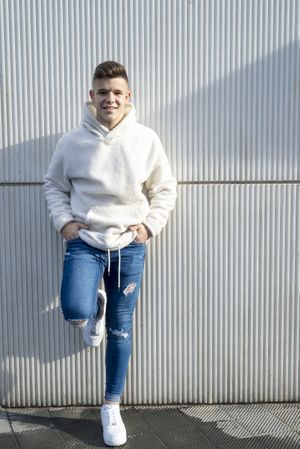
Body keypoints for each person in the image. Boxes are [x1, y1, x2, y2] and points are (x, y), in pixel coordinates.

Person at [44, 60, 176, 446]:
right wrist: (63, 221)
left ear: (128, 97)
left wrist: (149, 225)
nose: (110, 98)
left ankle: (111, 406)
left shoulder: (146, 139)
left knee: (121, 330)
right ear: (92, 96)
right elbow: (53, 185)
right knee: (74, 312)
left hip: (129, 246)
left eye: (117, 92)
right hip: (85, 242)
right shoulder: (72, 141)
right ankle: (92, 308)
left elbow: (164, 188)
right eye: (103, 92)